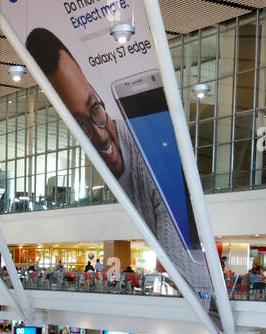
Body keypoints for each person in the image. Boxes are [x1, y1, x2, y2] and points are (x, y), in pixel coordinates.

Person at [25, 27, 208, 292]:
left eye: (94, 109)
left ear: (100, 96)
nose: (100, 135)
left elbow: (195, 283)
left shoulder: (153, 162)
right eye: (82, 126)